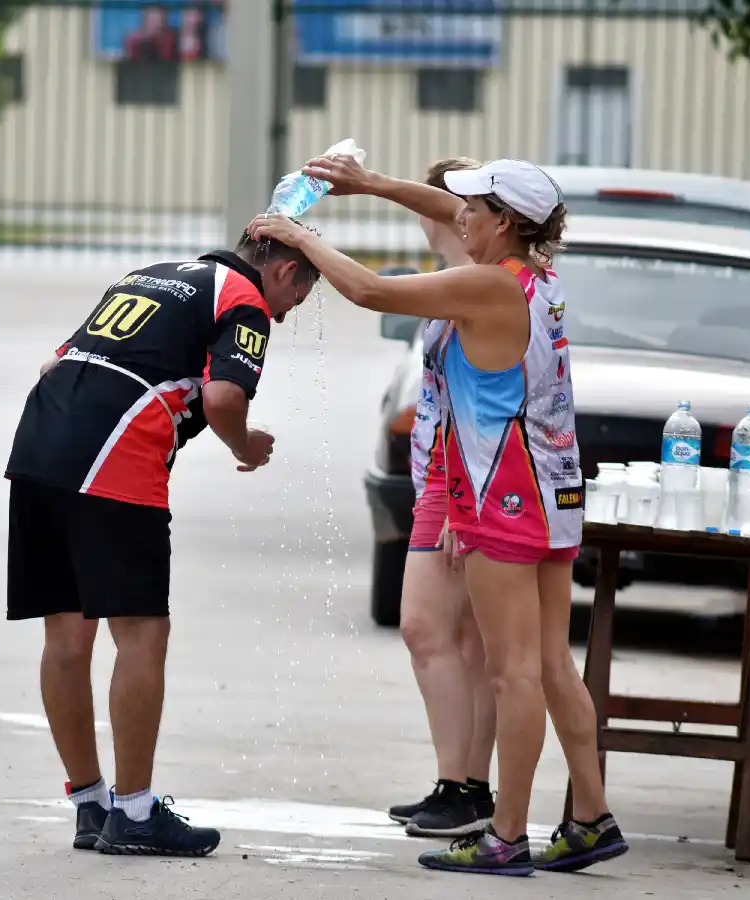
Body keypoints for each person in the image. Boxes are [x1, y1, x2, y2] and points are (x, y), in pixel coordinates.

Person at [249, 157, 627, 876]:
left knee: (514, 674)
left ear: (504, 222)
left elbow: (369, 290)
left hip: (501, 495)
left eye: (472, 210)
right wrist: (372, 185)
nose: (458, 217)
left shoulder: (488, 285)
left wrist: (298, 236)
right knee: (551, 665)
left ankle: (505, 836)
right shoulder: (537, 275)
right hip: (551, 493)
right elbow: (446, 208)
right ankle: (591, 817)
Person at [4, 225, 320, 857]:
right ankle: (134, 814)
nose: (286, 316)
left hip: (39, 440)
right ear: (285, 272)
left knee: (65, 635)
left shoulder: (149, 275)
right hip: (114, 456)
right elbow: (223, 396)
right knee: (142, 632)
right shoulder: (244, 299)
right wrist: (244, 444)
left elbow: (53, 362)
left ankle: (90, 804)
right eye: (297, 299)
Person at [386, 157, 498, 840]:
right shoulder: (469, 278)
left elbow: (478, 408)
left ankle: (459, 788)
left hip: (458, 480)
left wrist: (459, 503)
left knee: (424, 628)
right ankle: (467, 787)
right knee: (467, 642)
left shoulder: (470, 283)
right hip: (455, 479)